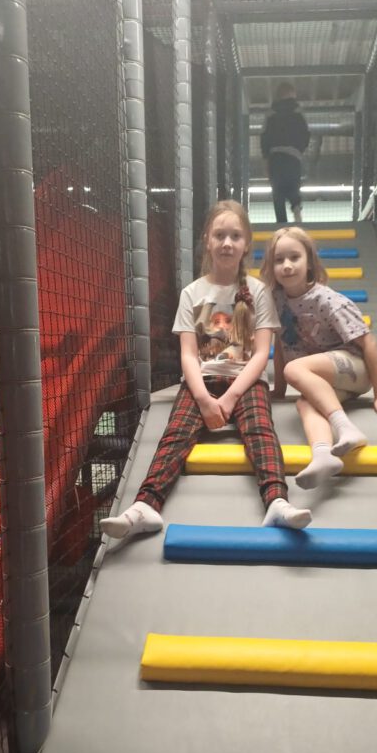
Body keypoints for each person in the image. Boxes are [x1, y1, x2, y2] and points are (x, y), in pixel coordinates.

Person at [100, 201, 312, 540]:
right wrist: (202, 398)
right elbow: (188, 354)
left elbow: (261, 354)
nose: (227, 243)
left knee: (261, 431)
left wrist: (230, 398)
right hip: (202, 379)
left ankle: (277, 501)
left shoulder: (258, 291)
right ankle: (145, 506)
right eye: (219, 235)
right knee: (175, 435)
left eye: (235, 236)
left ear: (246, 244)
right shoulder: (192, 293)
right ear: (207, 241)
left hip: (245, 381)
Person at [261, 226, 377, 490]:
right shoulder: (277, 301)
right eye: (279, 259)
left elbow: (368, 342)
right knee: (306, 404)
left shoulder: (327, 300)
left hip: (354, 368)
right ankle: (322, 455)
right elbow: (282, 344)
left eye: (294, 257)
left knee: (294, 369)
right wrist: (280, 390)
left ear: (309, 262)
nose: (287, 265)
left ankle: (346, 428)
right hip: (326, 378)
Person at [260, 82, 310, 226]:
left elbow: (264, 137)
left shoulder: (270, 113)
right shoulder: (298, 111)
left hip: (275, 156)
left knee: (277, 191)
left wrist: (266, 159)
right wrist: (300, 149)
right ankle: (296, 207)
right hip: (293, 156)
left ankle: (281, 222)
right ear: (291, 94)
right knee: (293, 185)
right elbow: (306, 133)